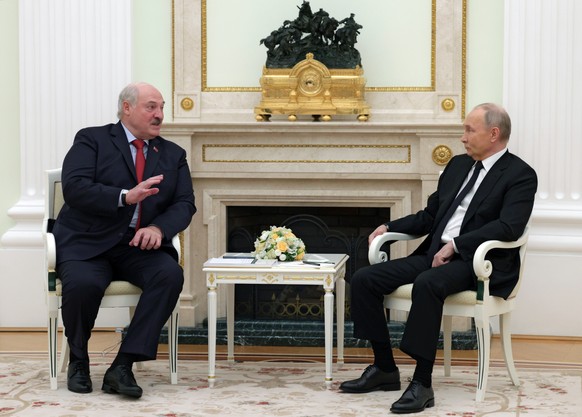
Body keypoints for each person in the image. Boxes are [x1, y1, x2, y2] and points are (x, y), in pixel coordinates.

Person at [339, 103, 537, 413]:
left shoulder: (520, 175)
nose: (463, 137)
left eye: (470, 130)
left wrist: (457, 245)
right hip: (436, 253)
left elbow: (508, 227)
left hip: (478, 264)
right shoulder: (458, 166)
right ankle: (384, 368)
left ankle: (422, 383)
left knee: (428, 283)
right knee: (365, 278)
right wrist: (389, 227)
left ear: (494, 134)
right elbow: (430, 216)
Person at [52, 82, 196, 398]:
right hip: (88, 242)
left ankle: (123, 364)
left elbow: (185, 203)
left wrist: (159, 229)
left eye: (161, 108)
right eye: (151, 107)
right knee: (83, 284)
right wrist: (124, 197)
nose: (159, 115)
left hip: (136, 246)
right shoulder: (92, 139)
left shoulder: (173, 154)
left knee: (169, 274)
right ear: (127, 108)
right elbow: (74, 188)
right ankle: (79, 360)